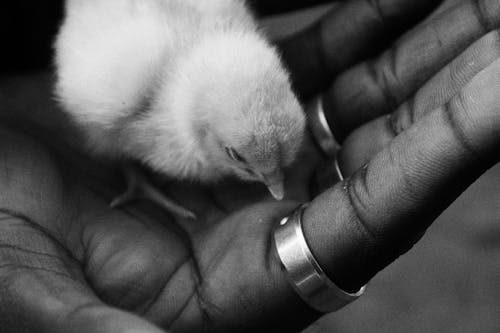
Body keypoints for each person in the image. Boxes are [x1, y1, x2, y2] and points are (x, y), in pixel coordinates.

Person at [1, 0, 500, 331]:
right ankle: (134, 174)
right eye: (246, 160)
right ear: (200, 130)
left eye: (279, 161)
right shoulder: (120, 78)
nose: (275, 183)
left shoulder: (227, 31)